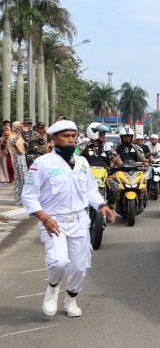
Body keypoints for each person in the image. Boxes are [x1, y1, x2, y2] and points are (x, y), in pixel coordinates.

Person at [21, 120, 116, 318]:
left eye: (73, 136)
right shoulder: (42, 164)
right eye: (66, 136)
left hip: (80, 220)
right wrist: (44, 218)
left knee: (80, 267)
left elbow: (90, 189)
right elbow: (29, 195)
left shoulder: (81, 162)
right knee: (58, 262)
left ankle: (71, 298)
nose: (71, 139)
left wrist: (102, 206)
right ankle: (53, 288)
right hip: (53, 221)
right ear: (54, 139)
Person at [81, 123, 122, 206]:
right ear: (93, 133)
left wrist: (118, 166)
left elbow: (118, 160)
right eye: (101, 134)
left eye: (104, 134)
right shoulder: (82, 146)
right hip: (85, 177)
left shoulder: (106, 147)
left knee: (116, 188)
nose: (104, 136)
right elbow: (73, 157)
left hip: (104, 177)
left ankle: (110, 207)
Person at [9, 122, 27, 204]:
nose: (21, 127)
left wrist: (26, 144)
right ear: (15, 127)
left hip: (22, 157)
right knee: (19, 179)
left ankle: (23, 198)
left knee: (24, 178)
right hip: (17, 157)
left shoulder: (19, 136)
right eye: (19, 126)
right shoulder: (12, 135)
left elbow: (22, 144)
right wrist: (19, 132)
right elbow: (13, 143)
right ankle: (18, 199)